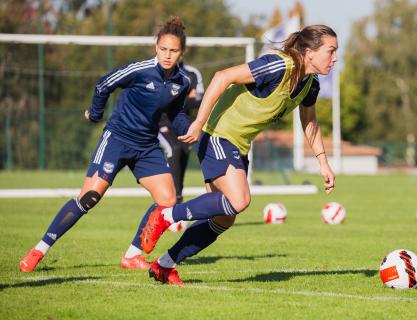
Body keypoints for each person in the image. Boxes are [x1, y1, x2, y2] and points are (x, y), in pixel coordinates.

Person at [139, 24, 338, 285]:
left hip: (238, 144)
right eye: (331, 51)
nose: (335, 58)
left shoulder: (310, 85)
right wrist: (198, 122)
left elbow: (310, 122)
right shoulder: (278, 66)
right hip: (217, 134)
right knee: (240, 199)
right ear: (310, 52)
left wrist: (323, 163)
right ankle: (166, 216)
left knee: (223, 218)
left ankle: (165, 265)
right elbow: (222, 76)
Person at [18, 16, 192, 272]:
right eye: (163, 49)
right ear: (156, 47)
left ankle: (131, 256)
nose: (167, 55)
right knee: (89, 197)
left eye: (173, 50)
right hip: (118, 139)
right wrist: (96, 115)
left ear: (182, 52)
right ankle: (39, 250)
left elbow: (176, 114)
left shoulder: (183, 82)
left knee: (167, 199)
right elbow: (103, 84)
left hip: (146, 146)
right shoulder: (139, 70)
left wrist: (189, 130)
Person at [157, 62, 204, 204]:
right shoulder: (156, 71)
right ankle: (171, 197)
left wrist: (176, 99)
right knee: (174, 149)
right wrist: (186, 96)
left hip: (182, 123)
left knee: (183, 153)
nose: (170, 54)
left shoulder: (192, 73)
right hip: (159, 123)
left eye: (176, 49)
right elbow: (160, 101)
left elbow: (200, 100)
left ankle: (178, 197)